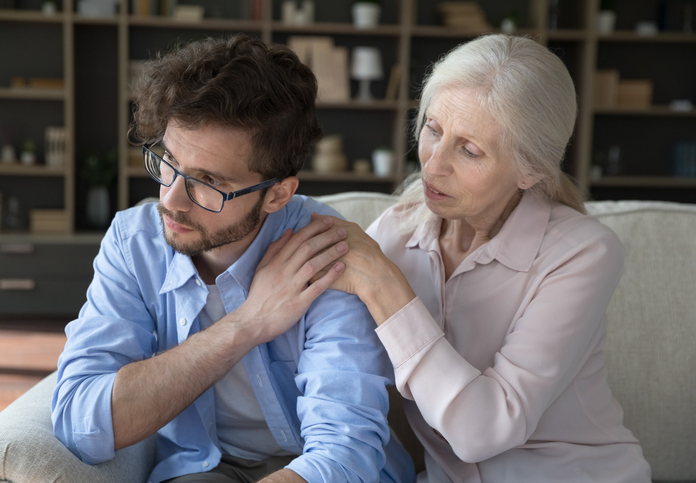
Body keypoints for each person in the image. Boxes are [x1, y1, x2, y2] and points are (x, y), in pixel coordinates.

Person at [51, 35, 414, 483]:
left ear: (277, 194)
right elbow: (80, 423)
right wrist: (247, 324)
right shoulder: (135, 242)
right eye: (168, 160)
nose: (171, 200)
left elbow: (345, 452)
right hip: (205, 467)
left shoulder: (325, 249)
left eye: (208, 182)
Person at [304, 34, 652, 482]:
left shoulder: (583, 252)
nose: (432, 165)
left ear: (531, 170)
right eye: (433, 130)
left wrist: (387, 289)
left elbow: (483, 432)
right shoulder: (395, 231)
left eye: (469, 150)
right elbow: (326, 350)